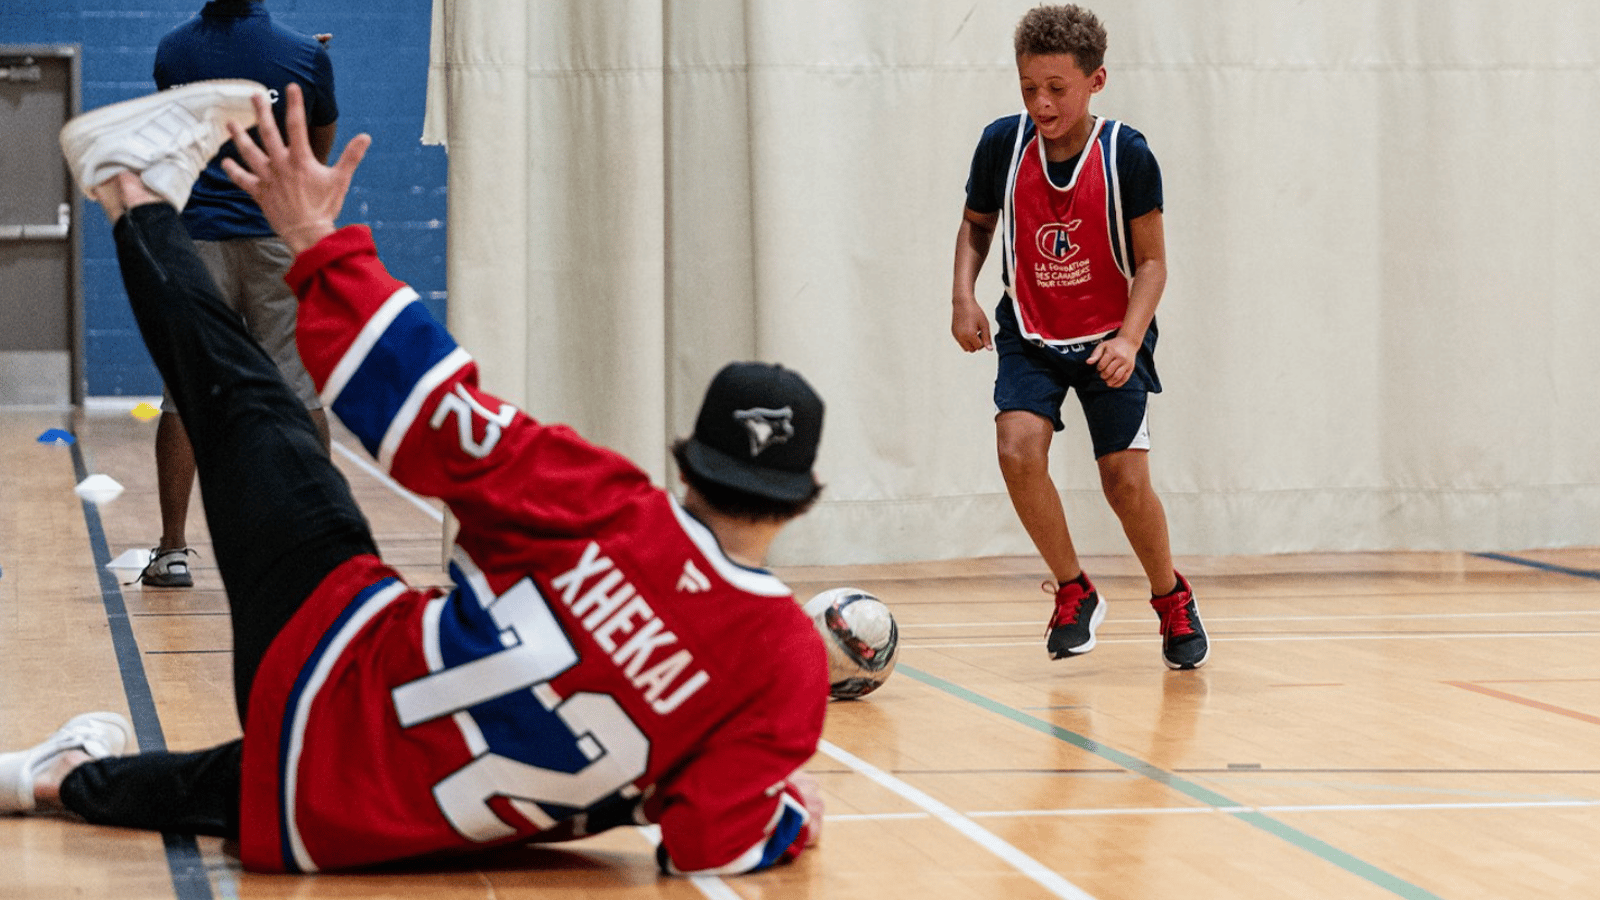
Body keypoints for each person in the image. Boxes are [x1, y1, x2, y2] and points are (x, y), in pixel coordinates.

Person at [6, 80, 829, 876]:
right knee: (300, 773)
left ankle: (128, 188)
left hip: (330, 665)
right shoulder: (785, 664)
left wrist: (317, 241)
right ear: (801, 502)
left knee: (253, 407)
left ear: (687, 464)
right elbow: (705, 845)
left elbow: (429, 404)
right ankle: (52, 778)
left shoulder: (610, 505)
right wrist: (786, 816)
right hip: (347, 819)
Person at [949, 5, 1209, 670]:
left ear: (1095, 81)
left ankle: (1169, 596)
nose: (1040, 103)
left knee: (1124, 483)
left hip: (1108, 336)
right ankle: (1073, 589)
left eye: (1056, 89)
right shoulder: (1001, 145)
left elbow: (1151, 263)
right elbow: (977, 224)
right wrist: (964, 295)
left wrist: (1128, 340)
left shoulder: (1127, 155)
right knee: (1016, 446)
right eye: (1028, 88)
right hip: (1031, 329)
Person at [137, 0, 339, 588]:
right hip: (276, 240)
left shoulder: (173, 51)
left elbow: (173, 130)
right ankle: (317, 542)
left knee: (185, 393)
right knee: (296, 386)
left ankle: (173, 551)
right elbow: (315, 153)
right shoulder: (305, 55)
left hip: (196, 243)